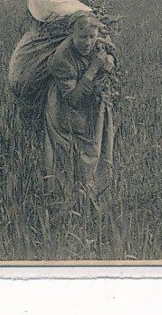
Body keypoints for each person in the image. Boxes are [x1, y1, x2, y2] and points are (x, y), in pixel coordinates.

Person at [43, 12, 117, 199]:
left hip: (90, 108)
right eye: (82, 37)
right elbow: (72, 99)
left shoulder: (96, 44)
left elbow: (110, 52)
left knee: (95, 154)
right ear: (71, 34)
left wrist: (109, 60)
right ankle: (66, 204)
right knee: (67, 161)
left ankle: (93, 199)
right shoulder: (62, 58)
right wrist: (93, 68)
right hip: (64, 112)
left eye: (91, 37)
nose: (87, 42)